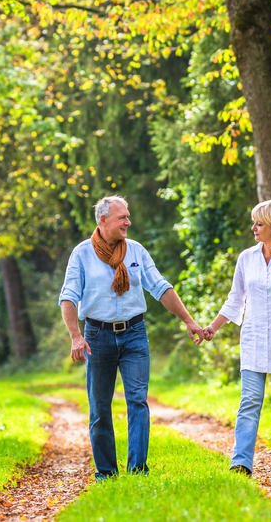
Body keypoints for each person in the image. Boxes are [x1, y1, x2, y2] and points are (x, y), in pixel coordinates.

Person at [59, 196, 204, 480]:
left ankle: (137, 470)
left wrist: (189, 321)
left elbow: (160, 287)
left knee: (137, 401)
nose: (128, 222)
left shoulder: (136, 251)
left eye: (128, 216)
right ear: (103, 221)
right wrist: (75, 336)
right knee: (100, 407)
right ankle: (106, 473)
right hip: (96, 336)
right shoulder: (82, 254)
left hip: (135, 335)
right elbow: (69, 296)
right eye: (122, 217)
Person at [202, 199, 271, 485]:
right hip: (253, 339)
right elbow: (235, 299)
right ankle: (241, 463)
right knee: (249, 402)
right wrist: (212, 327)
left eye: (259, 223)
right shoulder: (246, 257)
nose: (253, 228)